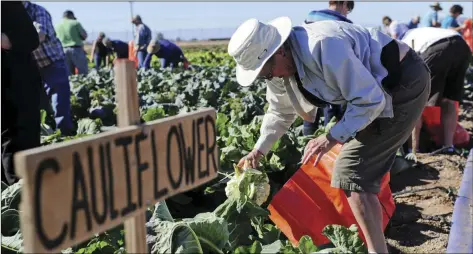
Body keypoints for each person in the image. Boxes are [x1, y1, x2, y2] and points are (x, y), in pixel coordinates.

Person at [229, 17, 430, 253]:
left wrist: (330, 137)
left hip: (402, 82)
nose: (269, 77)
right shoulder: (278, 69)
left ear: (280, 50)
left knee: (351, 171)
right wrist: (258, 150)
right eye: (264, 75)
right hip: (376, 93)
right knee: (356, 168)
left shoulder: (323, 46)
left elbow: (370, 100)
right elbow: (280, 112)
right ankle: (379, 230)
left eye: (267, 71)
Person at [402, 27, 472, 155]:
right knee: (449, 100)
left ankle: (414, 149)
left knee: (417, 100)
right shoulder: (421, 33)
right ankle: (448, 146)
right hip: (462, 47)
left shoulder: (404, 40)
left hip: (438, 49)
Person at [1, 1, 43, 185]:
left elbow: (30, 39)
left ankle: (21, 199)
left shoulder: (8, 5)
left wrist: (5, 40)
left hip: (16, 86)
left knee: (17, 141)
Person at [303, 1, 354, 136]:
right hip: (330, 74)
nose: (346, 13)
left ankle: (306, 145)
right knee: (331, 113)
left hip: (308, 72)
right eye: (348, 9)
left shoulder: (311, 16)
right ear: (344, 4)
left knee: (309, 111)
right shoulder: (342, 23)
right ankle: (330, 146)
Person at [23, 1, 74, 136]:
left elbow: (39, 35)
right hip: (32, 65)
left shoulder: (37, 11)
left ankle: (64, 134)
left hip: (52, 62)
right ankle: (46, 133)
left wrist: (16, 41)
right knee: (39, 103)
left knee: (59, 100)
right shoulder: (8, 13)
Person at [55, 10, 88, 75]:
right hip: (76, 49)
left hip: (63, 50)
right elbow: (84, 36)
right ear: (71, 16)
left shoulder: (57, 25)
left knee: (68, 73)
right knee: (83, 72)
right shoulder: (75, 23)